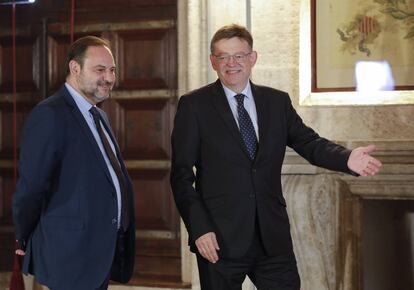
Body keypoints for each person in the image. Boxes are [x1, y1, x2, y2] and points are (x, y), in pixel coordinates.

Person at [170, 24, 382, 290]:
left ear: (252, 58)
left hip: (272, 238)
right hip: (219, 238)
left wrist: (346, 158)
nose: (231, 63)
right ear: (213, 61)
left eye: (239, 55)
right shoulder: (194, 106)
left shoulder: (276, 102)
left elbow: (309, 142)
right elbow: (181, 177)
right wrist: (199, 228)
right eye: (223, 56)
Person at [12, 36, 135, 290]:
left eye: (112, 70)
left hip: (100, 253)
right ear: (75, 68)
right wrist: (24, 237)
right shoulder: (49, 114)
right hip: (69, 255)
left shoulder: (99, 114)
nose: (109, 78)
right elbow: (31, 188)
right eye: (100, 70)